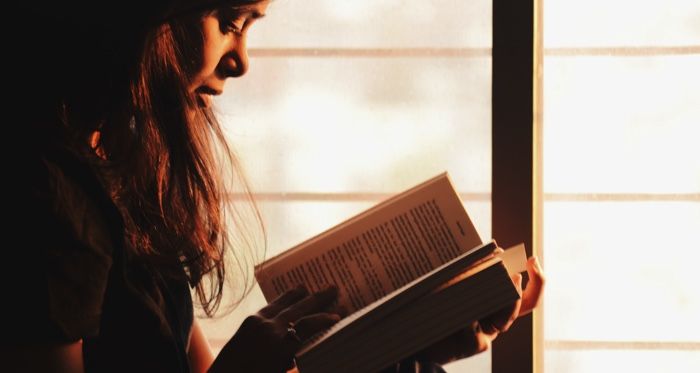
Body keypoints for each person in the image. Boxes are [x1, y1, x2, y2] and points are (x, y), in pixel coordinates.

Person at [5, 1, 544, 372]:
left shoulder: (122, 165)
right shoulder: (45, 196)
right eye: (231, 20)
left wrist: (405, 341)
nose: (240, 61)